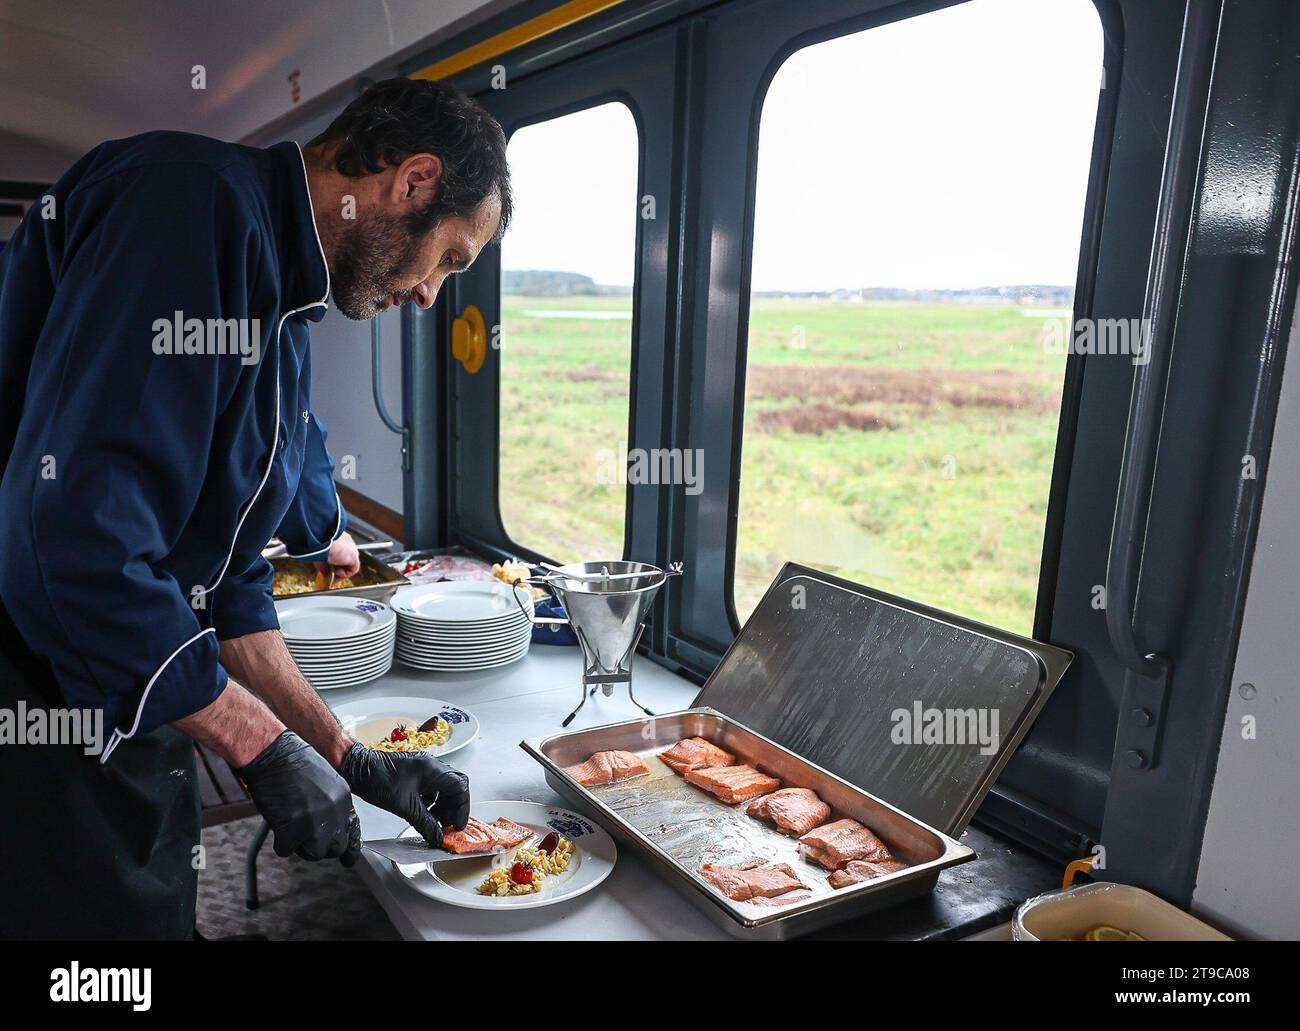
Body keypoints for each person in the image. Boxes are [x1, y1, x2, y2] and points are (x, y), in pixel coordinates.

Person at [0, 77, 511, 939]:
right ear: (413, 180)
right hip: (40, 690)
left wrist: (346, 755)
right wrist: (257, 743)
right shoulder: (187, 205)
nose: (431, 295)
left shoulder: (284, 304)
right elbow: (72, 542)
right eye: (450, 259)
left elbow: (230, 585)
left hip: (134, 686)